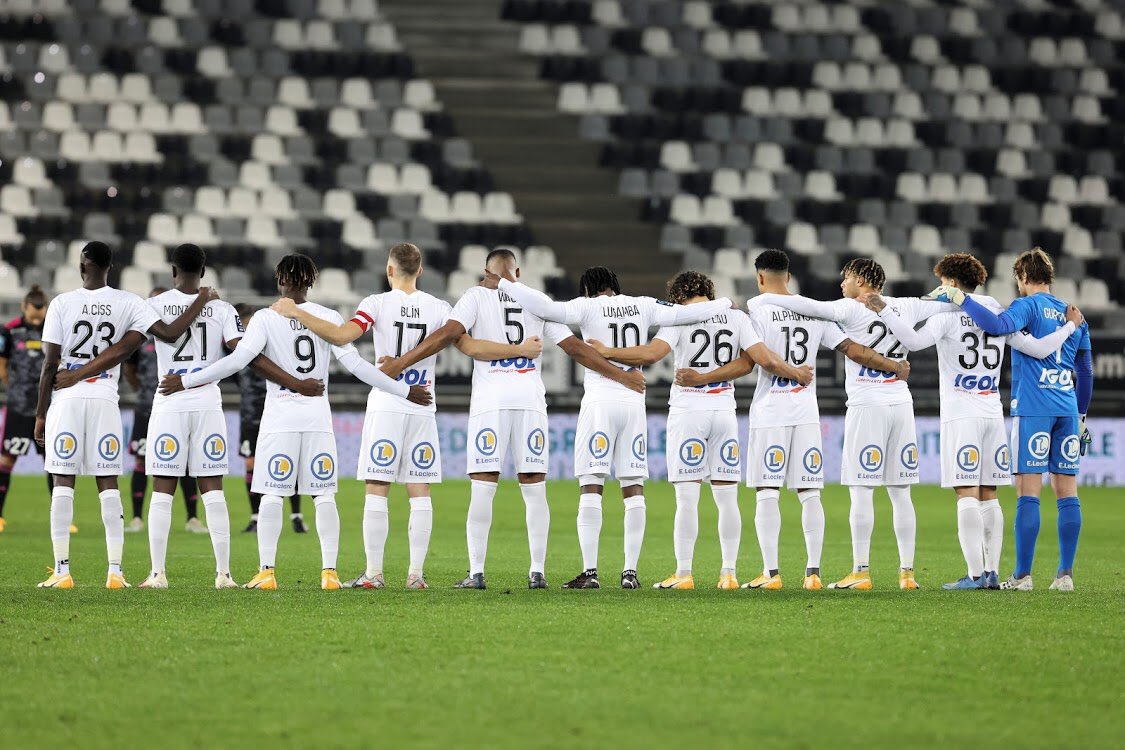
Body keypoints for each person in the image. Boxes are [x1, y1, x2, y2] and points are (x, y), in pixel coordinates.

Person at [271, 243, 540, 590]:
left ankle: (374, 574)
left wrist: (297, 312)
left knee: (377, 488)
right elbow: (472, 348)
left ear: (389, 270)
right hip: (423, 404)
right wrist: (518, 350)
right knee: (420, 490)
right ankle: (415, 575)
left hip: (386, 403)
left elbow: (341, 335)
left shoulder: (376, 304)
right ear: (421, 271)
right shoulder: (440, 308)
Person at [56, 245, 321, 589]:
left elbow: (128, 346)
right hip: (208, 404)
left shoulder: (153, 305)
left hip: (169, 403)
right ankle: (224, 574)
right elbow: (244, 354)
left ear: (172, 271)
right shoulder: (222, 308)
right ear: (204, 271)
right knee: (213, 490)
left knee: (162, 490)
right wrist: (294, 380)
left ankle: (157, 574)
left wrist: (79, 373)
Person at [160, 253, 429, 591]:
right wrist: (405, 390)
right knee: (324, 495)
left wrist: (186, 381)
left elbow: (238, 360)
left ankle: (267, 572)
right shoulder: (329, 317)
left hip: (280, 418)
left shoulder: (265, 317)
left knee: (272, 494)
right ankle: (329, 574)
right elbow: (359, 367)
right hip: (318, 418)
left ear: (280, 281)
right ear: (311, 282)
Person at [379, 249, 644, 589]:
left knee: (483, 487)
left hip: (491, 402)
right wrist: (622, 376)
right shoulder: (536, 301)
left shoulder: (475, 296)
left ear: (487, 272)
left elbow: (447, 335)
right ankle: (537, 572)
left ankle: (476, 572)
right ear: (517, 270)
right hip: (530, 401)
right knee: (534, 489)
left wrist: (400, 363)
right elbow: (577, 349)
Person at [677, 250, 911, 590]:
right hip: (806, 414)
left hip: (771, 411)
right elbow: (854, 350)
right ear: (788, 277)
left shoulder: (755, 310)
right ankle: (813, 573)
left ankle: (770, 573)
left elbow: (752, 360)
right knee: (809, 493)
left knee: (767, 492)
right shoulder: (812, 310)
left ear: (759, 278)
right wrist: (894, 367)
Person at [494, 266, 732, 589]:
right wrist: (725, 304)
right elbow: (686, 314)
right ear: (615, 286)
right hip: (635, 403)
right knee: (633, 488)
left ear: (588, 290)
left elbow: (547, 308)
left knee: (591, 485)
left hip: (600, 402)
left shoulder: (587, 306)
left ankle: (590, 572)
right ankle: (629, 572)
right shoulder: (644, 304)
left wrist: (509, 284)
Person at [862, 253, 1079, 590]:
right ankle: (991, 572)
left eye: (941, 282)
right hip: (993, 412)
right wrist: (1069, 327)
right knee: (989, 492)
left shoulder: (949, 316)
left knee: (966, 491)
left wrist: (884, 310)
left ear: (950, 282)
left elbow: (913, 341)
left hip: (961, 414)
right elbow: (1037, 349)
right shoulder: (998, 313)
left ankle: (975, 575)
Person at [587, 269, 811, 590]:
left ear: (678, 294)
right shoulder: (734, 317)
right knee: (727, 497)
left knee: (687, 499)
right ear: (709, 290)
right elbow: (754, 361)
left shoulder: (681, 316)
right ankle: (729, 574)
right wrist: (794, 373)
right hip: (724, 412)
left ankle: (683, 574)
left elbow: (652, 354)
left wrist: (607, 352)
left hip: (689, 411)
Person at [748, 258, 950, 590]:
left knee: (861, 490)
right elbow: (941, 304)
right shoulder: (907, 306)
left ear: (859, 279)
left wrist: (760, 299)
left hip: (865, 404)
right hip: (901, 403)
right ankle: (907, 574)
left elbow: (807, 306)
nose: (841, 284)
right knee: (901, 493)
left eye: (845, 278)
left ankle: (861, 571)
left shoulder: (848, 309)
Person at [34, 241, 212, 589]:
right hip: (105, 401)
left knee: (63, 482)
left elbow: (50, 364)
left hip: (66, 401)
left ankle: (62, 571)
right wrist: (201, 300)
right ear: (110, 267)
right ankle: (115, 572)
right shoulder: (129, 302)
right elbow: (170, 333)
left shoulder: (62, 303)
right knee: (108, 484)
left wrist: (41, 413)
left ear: (82, 266)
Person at [926, 248, 1093, 591]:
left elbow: (997, 325)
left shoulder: (1026, 306)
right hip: (1066, 407)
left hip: (1034, 407)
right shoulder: (1074, 314)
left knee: (1027, 491)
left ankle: (1022, 575)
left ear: (1021, 277)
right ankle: (1064, 575)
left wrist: (960, 298)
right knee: (1067, 492)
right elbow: (1085, 370)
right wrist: (1081, 414)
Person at [122, 287, 206, 535]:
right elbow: (129, 368)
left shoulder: (187, 332)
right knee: (141, 458)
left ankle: (192, 518)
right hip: (147, 406)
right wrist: (143, 390)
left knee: (187, 461)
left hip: (180, 406)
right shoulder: (142, 337)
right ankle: (137, 517)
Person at [233, 304, 305, 535]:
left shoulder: (274, 345)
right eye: (245, 323)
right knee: (251, 464)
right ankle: (255, 517)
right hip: (250, 416)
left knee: (287, 461)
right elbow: (238, 380)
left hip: (276, 412)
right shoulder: (237, 351)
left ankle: (295, 515)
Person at [0, 285, 57, 532]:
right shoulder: (9, 331)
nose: (36, 319)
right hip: (19, 408)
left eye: (40, 314)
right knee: (7, 460)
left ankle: (61, 520)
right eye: (32, 314)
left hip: (47, 408)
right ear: (24, 307)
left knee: (54, 463)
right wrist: (14, 389)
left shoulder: (53, 329)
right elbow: (2, 365)